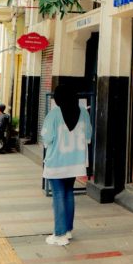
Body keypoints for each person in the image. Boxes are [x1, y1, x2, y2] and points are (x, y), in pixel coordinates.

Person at [41, 85, 91, 246]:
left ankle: (60, 234)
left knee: (58, 195)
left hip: (56, 162)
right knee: (68, 193)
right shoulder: (83, 112)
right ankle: (68, 230)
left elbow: (47, 139)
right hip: (75, 163)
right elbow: (88, 136)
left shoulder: (54, 114)